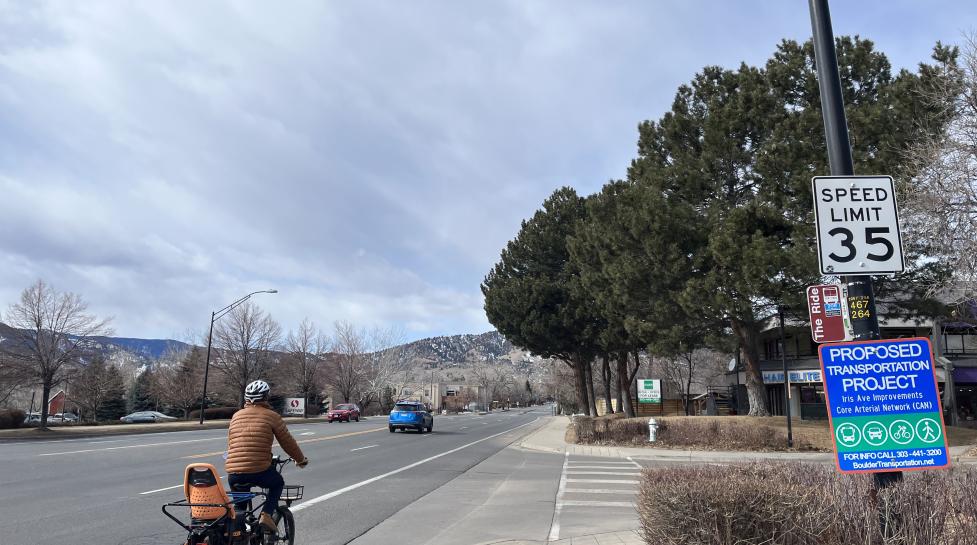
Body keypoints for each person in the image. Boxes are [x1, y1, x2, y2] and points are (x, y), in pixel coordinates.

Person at [225, 380, 309, 534]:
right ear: (266, 397)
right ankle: (266, 515)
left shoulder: (236, 416)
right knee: (277, 483)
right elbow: (287, 442)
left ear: (246, 398)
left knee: (240, 507)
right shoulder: (271, 416)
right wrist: (300, 459)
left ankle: (238, 533)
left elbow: (231, 443)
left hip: (234, 472)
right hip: (259, 470)